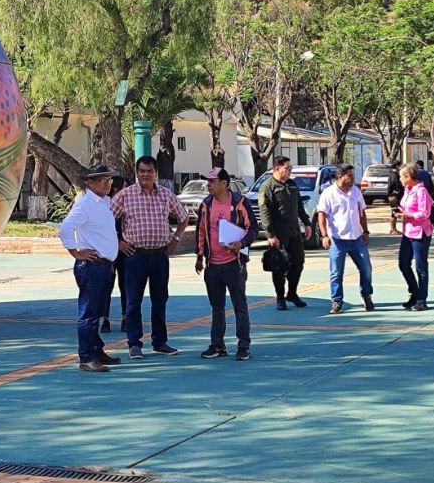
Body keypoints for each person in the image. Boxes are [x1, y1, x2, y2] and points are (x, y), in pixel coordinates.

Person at [111, 155, 188, 359]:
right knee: (133, 301)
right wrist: (118, 242)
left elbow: (183, 217)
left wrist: (176, 239)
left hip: (160, 255)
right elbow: (106, 220)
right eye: (142, 171)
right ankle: (134, 343)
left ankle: (160, 342)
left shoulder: (166, 195)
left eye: (149, 171)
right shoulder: (125, 196)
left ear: (156, 173)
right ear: (137, 173)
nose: (146, 175)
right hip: (135, 256)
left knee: (160, 299)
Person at [59, 164, 123, 373]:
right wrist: (75, 252)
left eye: (109, 179)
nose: (107, 183)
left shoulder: (104, 202)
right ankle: (86, 357)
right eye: (102, 179)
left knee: (96, 312)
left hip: (104, 265)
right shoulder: (85, 204)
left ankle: (96, 350)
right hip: (92, 266)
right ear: (90, 183)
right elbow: (66, 227)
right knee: (88, 313)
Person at [194, 167, 258, 361]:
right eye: (208, 181)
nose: (209, 185)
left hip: (233, 264)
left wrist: (242, 243)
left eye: (212, 181)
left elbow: (253, 227)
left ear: (224, 184)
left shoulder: (240, 202)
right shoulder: (206, 205)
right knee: (217, 307)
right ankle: (217, 345)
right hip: (213, 265)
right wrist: (199, 257)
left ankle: (243, 345)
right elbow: (201, 231)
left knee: (240, 305)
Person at [316, 163, 374, 314]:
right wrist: (324, 235)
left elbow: (362, 213)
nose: (352, 179)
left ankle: (366, 295)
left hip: (356, 238)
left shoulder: (356, 191)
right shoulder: (328, 193)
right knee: (336, 272)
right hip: (337, 239)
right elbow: (321, 215)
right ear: (340, 177)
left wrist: (366, 231)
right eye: (349, 176)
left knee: (366, 268)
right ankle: (337, 301)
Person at [258, 156, 311, 311]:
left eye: (290, 168)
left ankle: (292, 293)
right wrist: (270, 235)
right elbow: (265, 212)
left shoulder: (292, 185)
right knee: (279, 266)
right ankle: (280, 297)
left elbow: (299, 207)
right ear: (276, 169)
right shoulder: (267, 187)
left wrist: (307, 224)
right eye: (287, 168)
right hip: (279, 234)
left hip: (294, 232)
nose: (289, 171)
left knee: (298, 263)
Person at [397, 162, 434, 311]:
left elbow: (424, 214)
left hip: (420, 233)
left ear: (408, 176)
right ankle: (414, 291)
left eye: (401, 177)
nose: (400, 179)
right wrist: (399, 210)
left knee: (421, 266)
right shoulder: (407, 189)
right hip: (407, 232)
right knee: (403, 263)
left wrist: (407, 214)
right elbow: (406, 206)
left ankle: (421, 299)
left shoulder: (421, 191)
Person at [101, 174, 127, 334]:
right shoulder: (105, 206)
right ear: (116, 190)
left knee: (126, 286)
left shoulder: (126, 206)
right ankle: (104, 319)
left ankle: (126, 318)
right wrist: (118, 242)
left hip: (125, 253)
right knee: (106, 286)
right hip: (109, 252)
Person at [386, 160, 404, 235]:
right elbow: (393, 184)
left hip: (394, 195)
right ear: (397, 166)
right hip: (394, 196)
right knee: (394, 212)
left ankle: (394, 228)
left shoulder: (394, 174)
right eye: (400, 166)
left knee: (394, 212)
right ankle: (392, 229)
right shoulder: (394, 175)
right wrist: (391, 193)